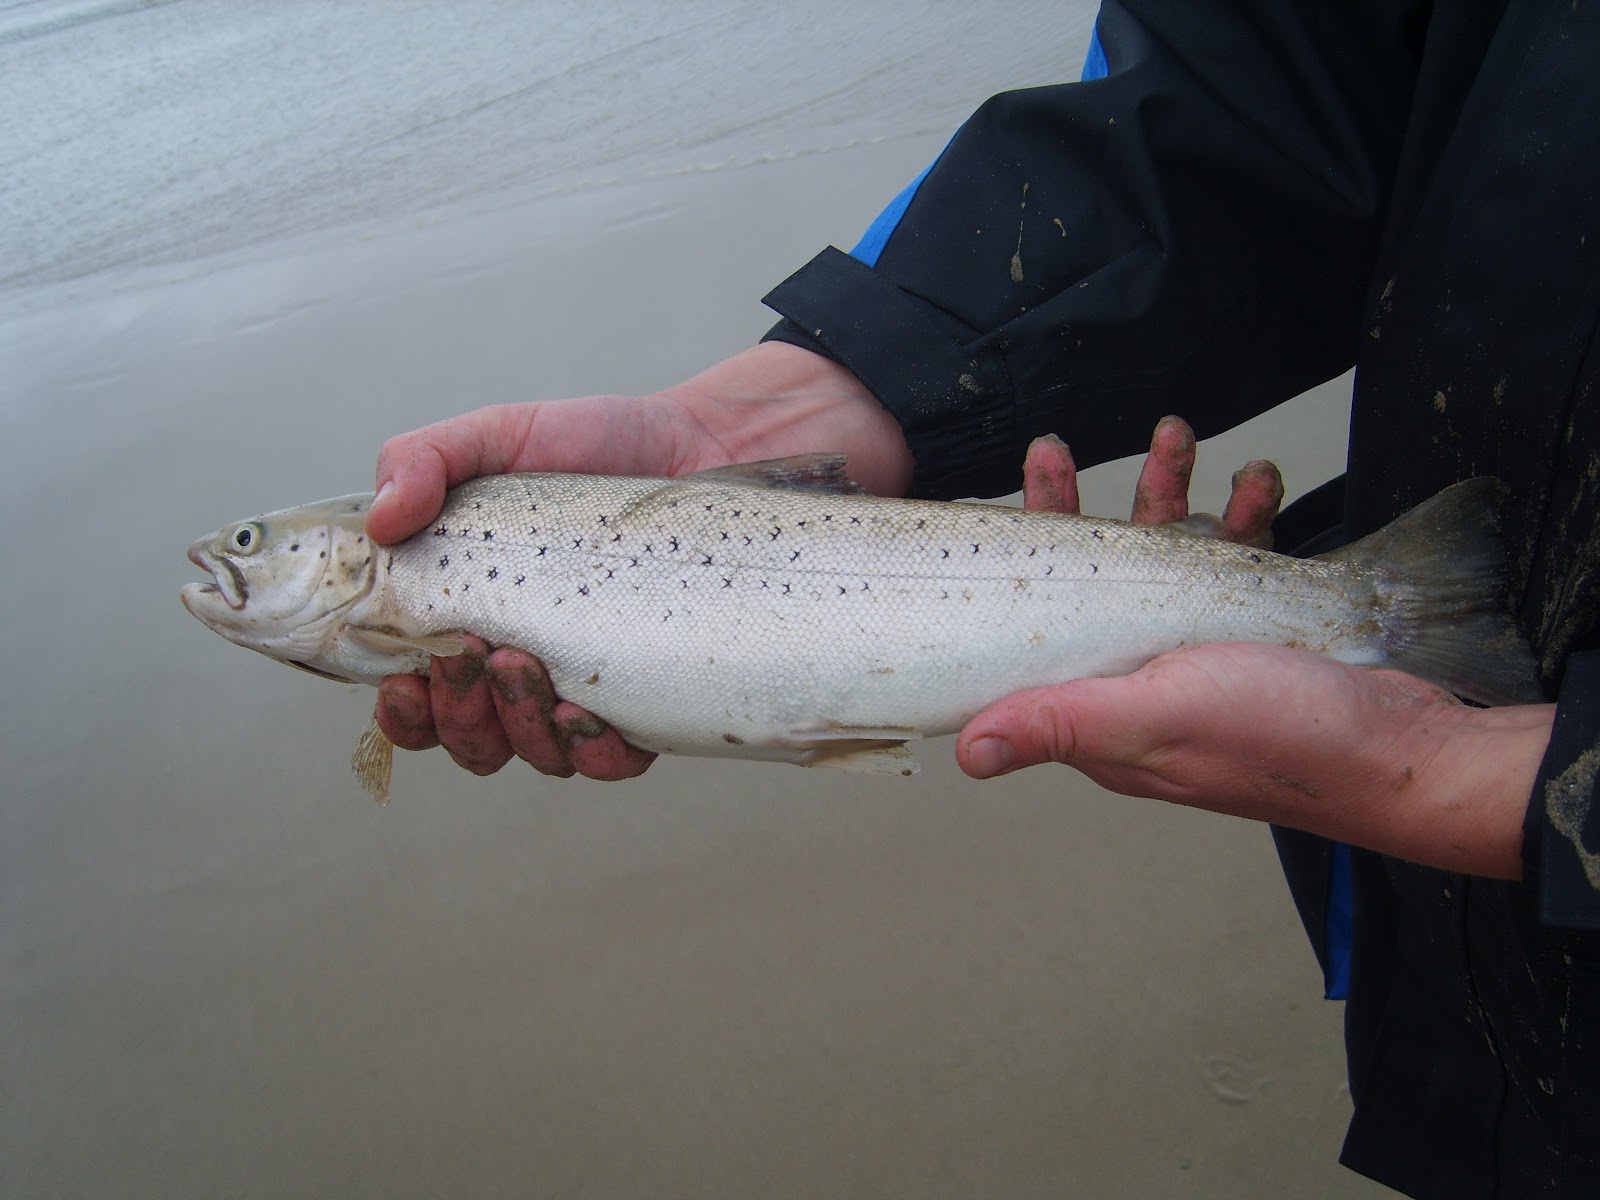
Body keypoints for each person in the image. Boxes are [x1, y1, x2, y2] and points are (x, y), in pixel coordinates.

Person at [364, 2, 1600, 1194]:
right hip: (1486, 1003)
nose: (236, 565)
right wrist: (824, 391)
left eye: (260, 547)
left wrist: (1508, 789)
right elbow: (1255, 95)